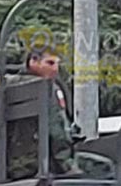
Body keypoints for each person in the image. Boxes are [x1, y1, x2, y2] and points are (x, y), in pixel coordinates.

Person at [8, 47, 80, 177]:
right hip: (41, 163)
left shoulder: (13, 85)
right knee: (104, 167)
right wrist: (67, 166)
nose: (55, 69)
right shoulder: (45, 87)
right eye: (50, 63)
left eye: (57, 64)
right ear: (33, 61)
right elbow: (56, 129)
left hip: (16, 164)